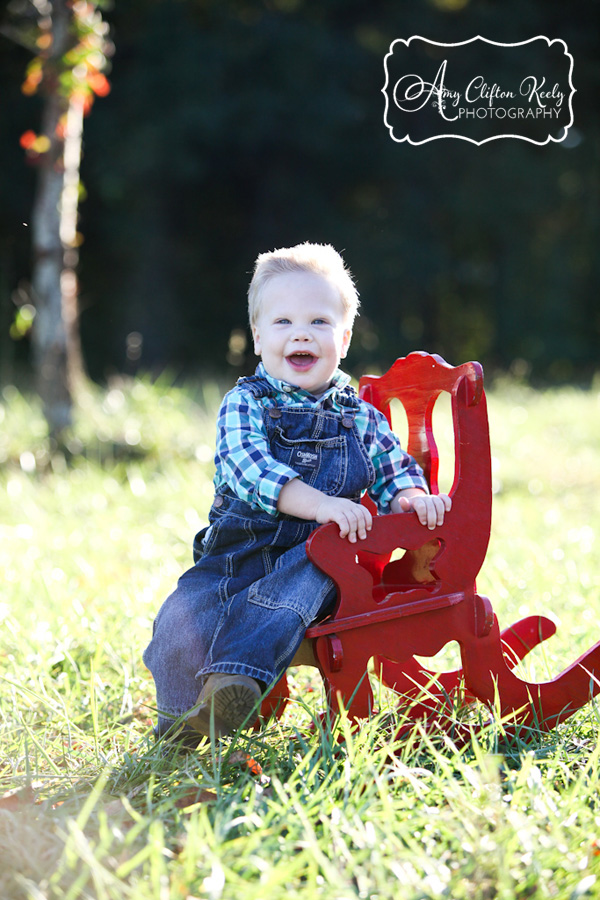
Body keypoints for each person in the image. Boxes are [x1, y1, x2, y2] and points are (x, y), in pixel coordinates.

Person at [143, 243, 451, 740]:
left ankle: (233, 685)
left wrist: (415, 500)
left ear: (345, 339)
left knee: (293, 589)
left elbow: (395, 472)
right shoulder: (244, 403)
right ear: (259, 338)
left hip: (318, 558)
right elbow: (250, 469)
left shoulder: (361, 418)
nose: (301, 333)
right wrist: (323, 503)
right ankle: (181, 725)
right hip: (237, 552)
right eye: (283, 322)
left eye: (319, 322)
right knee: (178, 620)